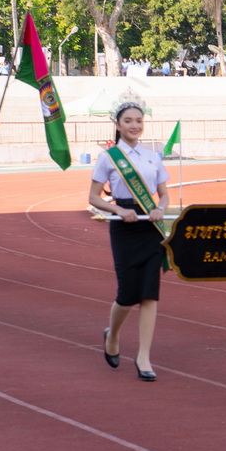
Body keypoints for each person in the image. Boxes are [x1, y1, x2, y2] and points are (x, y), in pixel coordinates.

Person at [88, 99, 169, 382]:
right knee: (127, 294)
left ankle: (144, 355)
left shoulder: (153, 156)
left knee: (149, 293)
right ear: (118, 125)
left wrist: (160, 208)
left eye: (138, 120)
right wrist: (119, 209)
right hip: (123, 227)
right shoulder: (108, 158)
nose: (135, 125)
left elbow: (165, 194)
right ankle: (113, 334)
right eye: (128, 121)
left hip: (149, 227)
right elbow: (94, 198)